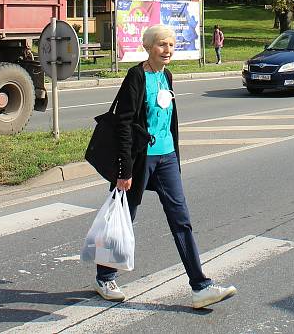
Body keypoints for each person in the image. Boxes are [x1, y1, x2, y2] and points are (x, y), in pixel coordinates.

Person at [94, 24, 236, 309]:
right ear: (148, 47)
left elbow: (168, 119)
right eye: (161, 44)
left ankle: (200, 287)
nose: (168, 50)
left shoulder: (167, 76)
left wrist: (175, 157)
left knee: (181, 219)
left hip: (167, 157)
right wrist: (124, 170)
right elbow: (123, 124)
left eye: (171, 44)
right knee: (125, 217)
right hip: (140, 160)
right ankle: (104, 277)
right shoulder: (136, 77)